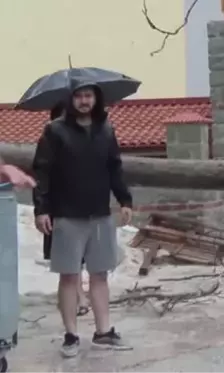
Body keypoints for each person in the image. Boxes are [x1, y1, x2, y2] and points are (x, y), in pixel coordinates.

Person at [32, 80, 134, 358]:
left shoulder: (106, 130)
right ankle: (71, 335)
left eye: (88, 95)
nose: (84, 101)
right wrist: (41, 209)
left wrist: (125, 200)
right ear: (70, 100)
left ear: (96, 99)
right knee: (69, 277)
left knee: (100, 275)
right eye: (78, 96)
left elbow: (115, 168)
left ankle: (103, 332)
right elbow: (42, 173)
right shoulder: (55, 131)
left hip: (100, 215)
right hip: (66, 216)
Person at [41, 104, 90, 317]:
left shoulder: (84, 140)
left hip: (81, 206)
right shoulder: (48, 144)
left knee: (78, 257)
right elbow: (42, 177)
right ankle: (74, 296)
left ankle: (78, 295)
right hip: (58, 208)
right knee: (67, 260)